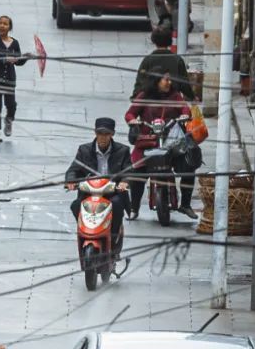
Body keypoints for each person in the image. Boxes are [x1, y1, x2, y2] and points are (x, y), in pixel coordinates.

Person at [125, 72, 195, 218]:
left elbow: (185, 109)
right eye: (166, 80)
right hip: (148, 141)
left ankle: (186, 205)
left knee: (189, 164)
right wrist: (133, 121)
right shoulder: (144, 96)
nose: (169, 83)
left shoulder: (175, 96)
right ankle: (134, 208)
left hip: (172, 142)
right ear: (156, 80)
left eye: (170, 80)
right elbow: (130, 113)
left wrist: (184, 115)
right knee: (137, 172)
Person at [64, 116, 134, 251]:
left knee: (117, 205)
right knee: (76, 205)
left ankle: (114, 237)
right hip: (89, 192)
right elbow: (73, 169)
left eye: (106, 134)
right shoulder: (84, 150)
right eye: (100, 133)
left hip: (112, 192)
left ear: (112, 134)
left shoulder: (123, 150)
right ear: (95, 133)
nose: (103, 137)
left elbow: (129, 171)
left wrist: (124, 182)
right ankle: (85, 231)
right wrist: (71, 181)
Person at [0, 14, 28, 142]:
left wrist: (25, 57)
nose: (2, 26)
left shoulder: (14, 43)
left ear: (10, 27)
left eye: (5, 24)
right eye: (0, 23)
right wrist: (5, 59)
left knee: (11, 104)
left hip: (9, 79)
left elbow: (18, 61)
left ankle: (9, 119)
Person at [133, 21, 194, 99]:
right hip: (173, 100)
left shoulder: (148, 60)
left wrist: (135, 96)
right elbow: (184, 84)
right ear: (170, 41)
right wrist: (192, 97)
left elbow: (140, 82)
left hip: (151, 100)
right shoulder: (177, 60)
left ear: (154, 41)